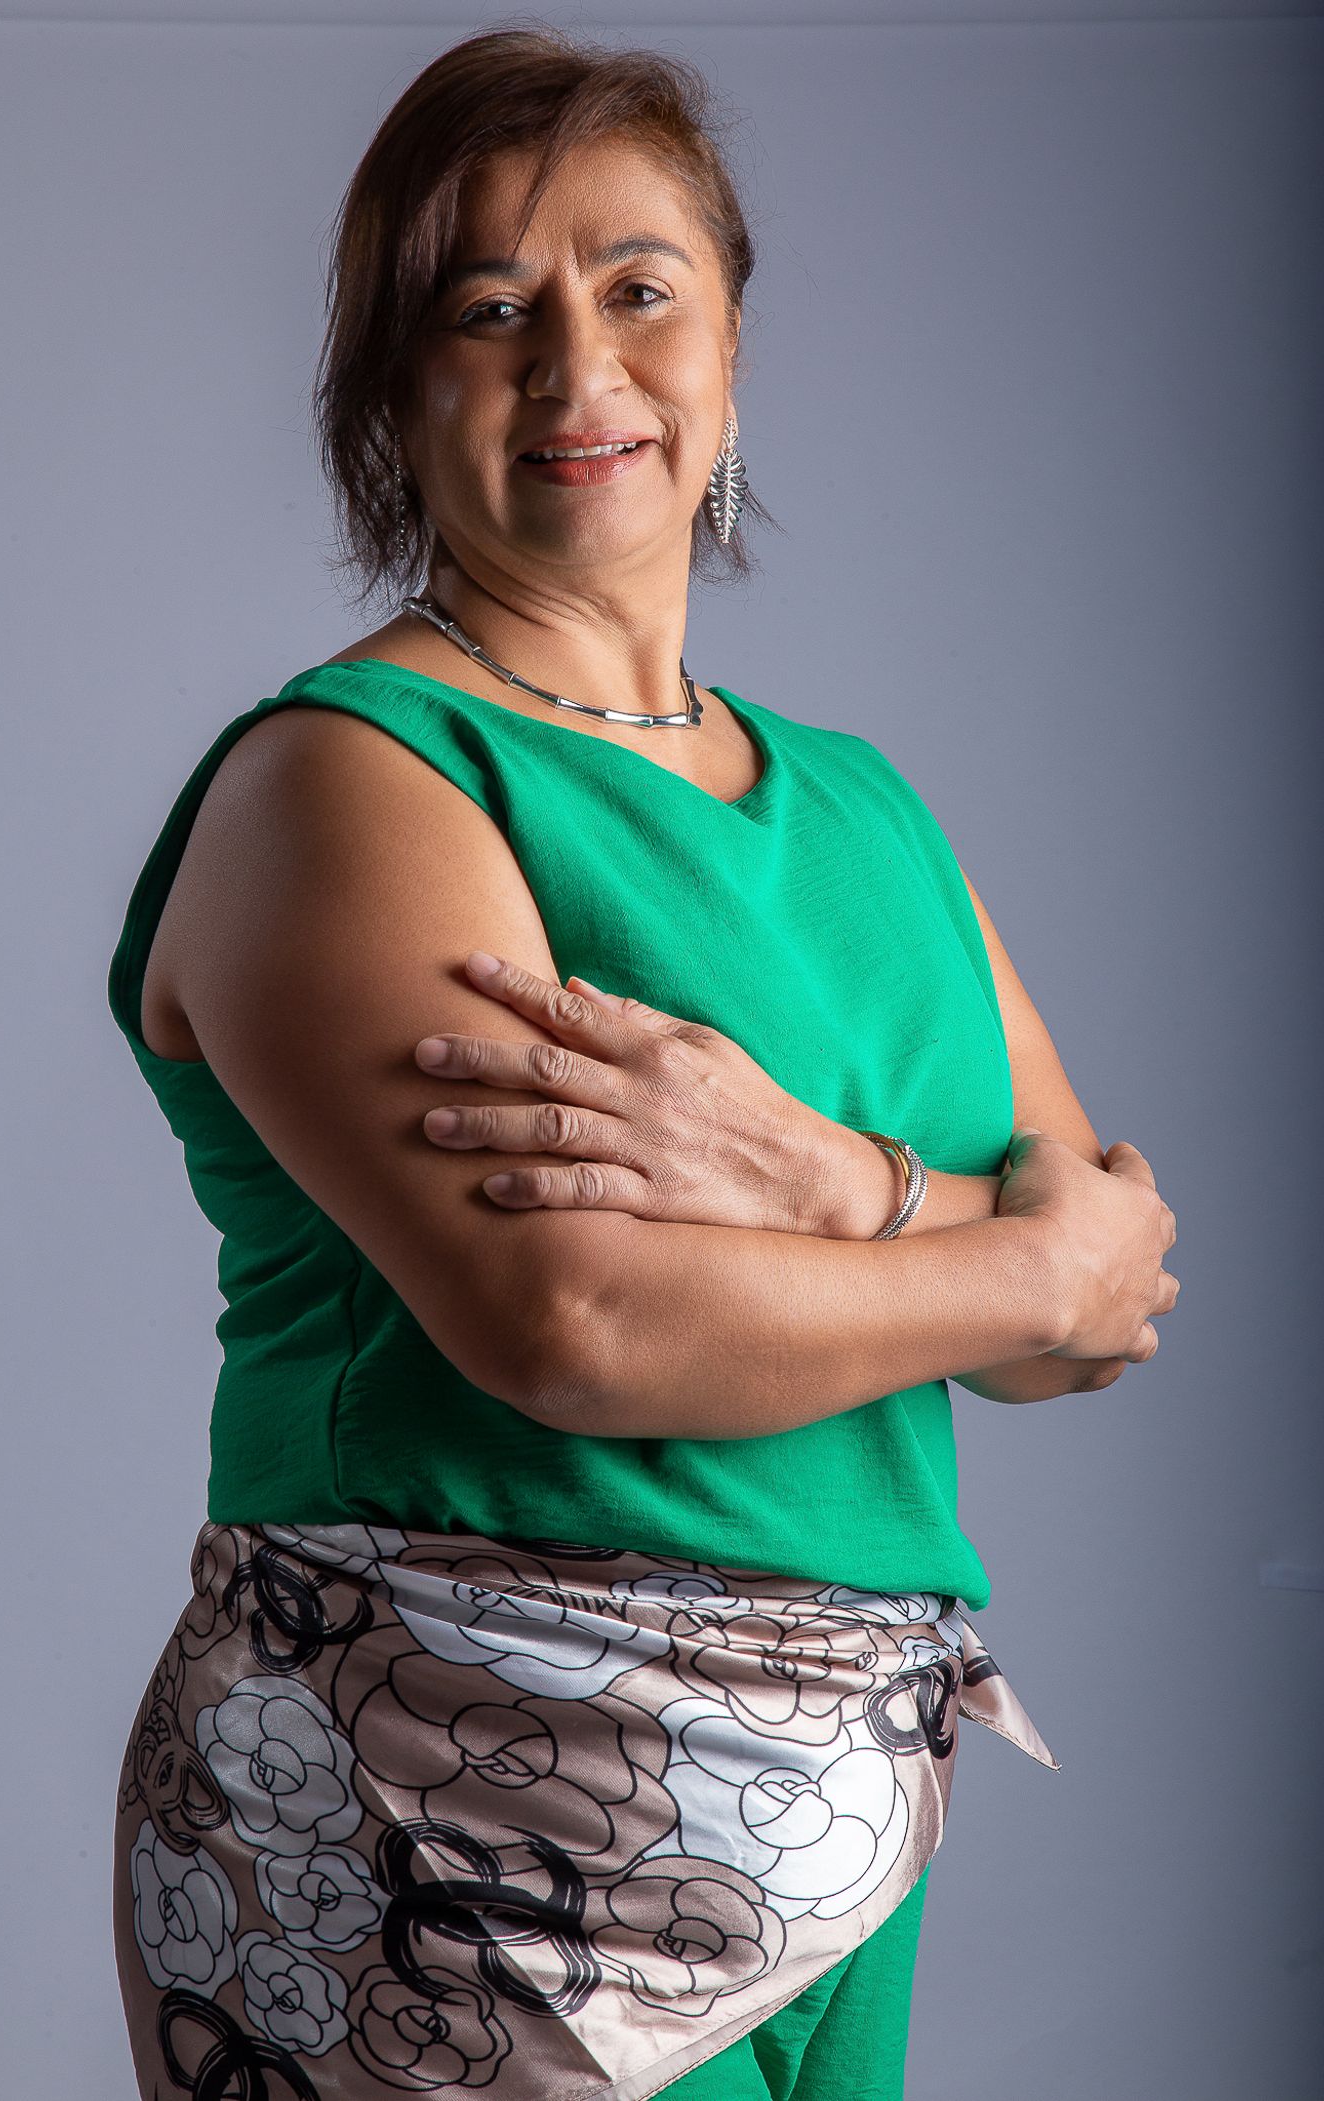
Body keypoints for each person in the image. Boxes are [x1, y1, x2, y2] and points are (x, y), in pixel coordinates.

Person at [107, 26, 1178, 2101]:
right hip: (438, 1825)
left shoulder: (864, 813)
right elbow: (578, 1321)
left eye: (637, 287)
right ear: (390, 392)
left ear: (732, 340)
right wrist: (1018, 1256)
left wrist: (839, 1185)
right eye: (485, 309)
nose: (574, 365)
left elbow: (1102, 1314)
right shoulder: (354, 781)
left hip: (828, 1844)